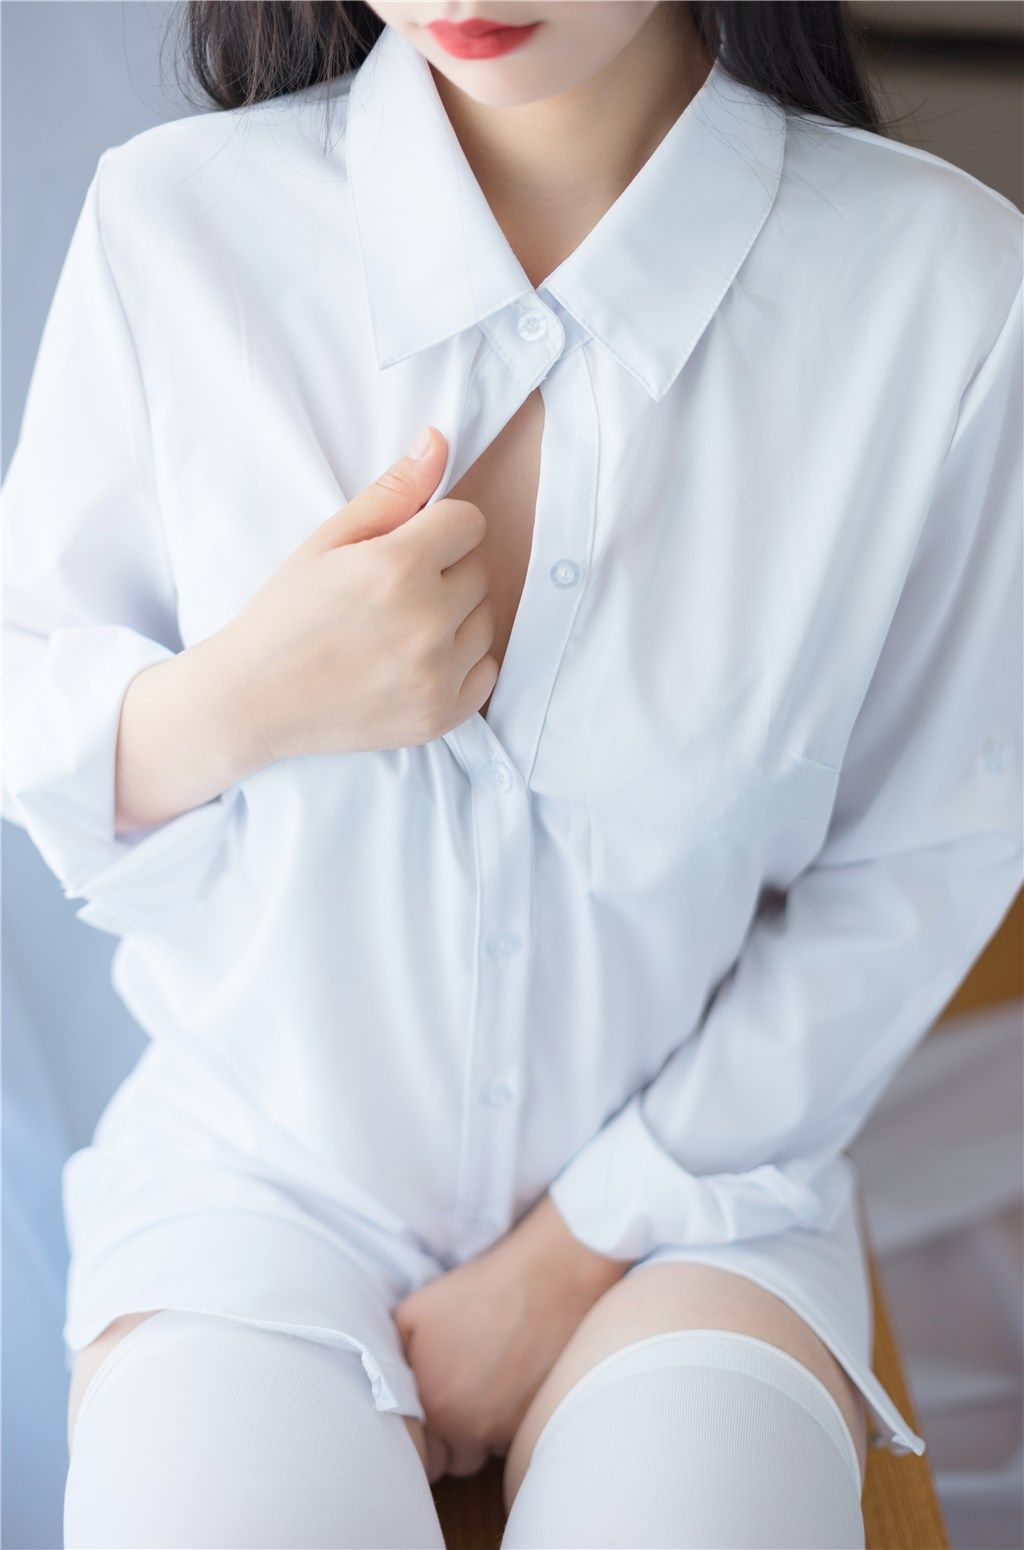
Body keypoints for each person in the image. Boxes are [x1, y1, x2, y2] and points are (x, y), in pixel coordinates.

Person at [3, 2, 1021, 1545]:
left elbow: (926, 856)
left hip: (694, 1216)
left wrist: (574, 1249)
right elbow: (33, 703)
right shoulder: (173, 225)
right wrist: (241, 696)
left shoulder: (944, 295)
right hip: (255, 1181)